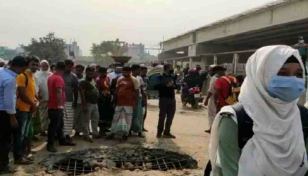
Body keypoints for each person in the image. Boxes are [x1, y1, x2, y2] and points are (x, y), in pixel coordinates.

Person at [207, 45, 308, 176]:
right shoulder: (234, 119)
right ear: (260, 74)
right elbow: (230, 171)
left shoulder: (303, 116)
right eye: (282, 73)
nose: (292, 80)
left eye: (298, 74)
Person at [0, 56, 27, 174]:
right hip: (4, 113)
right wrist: (12, 117)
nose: (23, 72)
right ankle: (3, 166)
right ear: (17, 67)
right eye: (23, 69)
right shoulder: (10, 80)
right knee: (5, 141)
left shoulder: (2, 73)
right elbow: (9, 100)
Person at [14, 56, 40, 165]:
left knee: (25, 133)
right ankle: (18, 156)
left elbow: (31, 93)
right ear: (27, 64)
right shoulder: (22, 76)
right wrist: (33, 104)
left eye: (36, 65)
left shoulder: (31, 76)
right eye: (32, 64)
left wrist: (36, 101)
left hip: (29, 108)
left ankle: (23, 154)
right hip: (22, 108)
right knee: (20, 134)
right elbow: (23, 94)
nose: (34, 66)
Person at [47, 61, 75, 153]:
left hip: (54, 105)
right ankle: (50, 145)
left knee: (60, 125)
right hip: (56, 106)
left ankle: (62, 140)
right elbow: (58, 91)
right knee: (54, 126)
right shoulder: (59, 78)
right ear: (64, 68)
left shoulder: (51, 77)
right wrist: (59, 104)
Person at [108, 66, 139, 140]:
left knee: (128, 120)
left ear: (130, 72)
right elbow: (116, 90)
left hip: (129, 103)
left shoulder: (134, 80)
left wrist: (135, 104)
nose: (125, 73)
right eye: (124, 72)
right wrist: (114, 101)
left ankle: (126, 134)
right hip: (119, 103)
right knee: (115, 119)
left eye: (127, 72)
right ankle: (113, 132)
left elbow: (137, 93)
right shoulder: (120, 79)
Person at [155, 64, 176, 138]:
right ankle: (159, 132)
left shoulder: (172, 77)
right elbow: (156, 86)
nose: (172, 69)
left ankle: (167, 131)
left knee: (170, 116)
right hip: (163, 98)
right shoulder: (160, 77)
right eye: (171, 67)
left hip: (172, 98)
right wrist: (166, 86)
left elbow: (176, 85)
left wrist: (174, 85)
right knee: (162, 116)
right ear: (167, 68)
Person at [79, 67, 100, 143]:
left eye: (92, 73)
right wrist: (84, 105)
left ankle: (95, 133)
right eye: (89, 73)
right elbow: (82, 94)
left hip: (94, 103)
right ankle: (86, 135)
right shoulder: (83, 82)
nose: (90, 75)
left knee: (95, 119)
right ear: (86, 73)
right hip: (88, 103)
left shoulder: (93, 80)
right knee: (86, 120)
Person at [62, 59, 78, 144]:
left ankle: (67, 135)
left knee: (69, 119)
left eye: (71, 67)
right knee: (60, 119)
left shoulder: (73, 76)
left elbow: (75, 89)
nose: (70, 69)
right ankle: (60, 136)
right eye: (68, 67)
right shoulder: (59, 74)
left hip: (69, 100)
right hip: (59, 101)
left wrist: (75, 101)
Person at [35, 60, 51, 136]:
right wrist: (38, 94)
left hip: (50, 99)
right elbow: (36, 86)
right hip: (42, 99)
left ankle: (46, 129)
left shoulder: (51, 74)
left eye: (46, 66)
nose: (45, 67)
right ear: (40, 66)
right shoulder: (37, 75)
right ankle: (42, 130)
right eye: (43, 66)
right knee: (42, 115)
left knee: (48, 116)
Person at [96, 67, 113, 136]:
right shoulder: (98, 80)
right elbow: (97, 90)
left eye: (105, 72)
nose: (104, 73)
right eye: (102, 72)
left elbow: (108, 87)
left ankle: (105, 128)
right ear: (99, 72)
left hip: (107, 99)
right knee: (102, 115)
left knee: (107, 114)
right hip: (101, 100)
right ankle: (101, 131)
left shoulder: (107, 78)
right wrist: (101, 97)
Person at [131, 65, 144, 138]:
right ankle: (129, 130)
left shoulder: (139, 78)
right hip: (131, 98)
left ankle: (139, 131)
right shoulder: (129, 78)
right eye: (138, 70)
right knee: (131, 115)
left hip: (139, 98)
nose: (140, 72)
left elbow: (142, 89)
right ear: (134, 70)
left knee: (139, 115)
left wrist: (144, 99)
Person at [204, 65, 218, 133]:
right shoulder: (220, 77)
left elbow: (211, 90)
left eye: (210, 70)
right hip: (220, 98)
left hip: (213, 98)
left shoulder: (214, 78)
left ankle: (212, 128)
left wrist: (206, 99)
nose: (209, 72)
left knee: (212, 114)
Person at [73, 64, 85, 136]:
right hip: (75, 100)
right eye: (77, 70)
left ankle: (82, 130)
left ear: (82, 71)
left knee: (83, 117)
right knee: (76, 116)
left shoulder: (84, 78)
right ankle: (77, 131)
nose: (78, 72)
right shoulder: (73, 78)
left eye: (80, 70)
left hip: (83, 100)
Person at [140, 66, 149, 132]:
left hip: (144, 98)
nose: (145, 73)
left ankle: (142, 126)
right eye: (143, 72)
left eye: (146, 72)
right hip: (139, 97)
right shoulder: (137, 78)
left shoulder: (146, 79)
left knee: (144, 113)